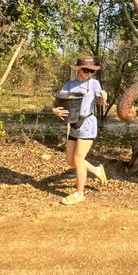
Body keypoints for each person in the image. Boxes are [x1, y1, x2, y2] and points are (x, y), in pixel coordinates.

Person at [52, 56, 108, 205]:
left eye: (91, 70)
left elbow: (101, 103)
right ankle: (96, 170)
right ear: (78, 70)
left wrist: (104, 98)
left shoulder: (94, 83)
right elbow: (58, 102)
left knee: (78, 159)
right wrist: (55, 110)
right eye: (86, 70)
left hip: (87, 124)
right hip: (74, 124)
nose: (89, 73)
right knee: (71, 161)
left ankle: (79, 193)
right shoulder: (69, 85)